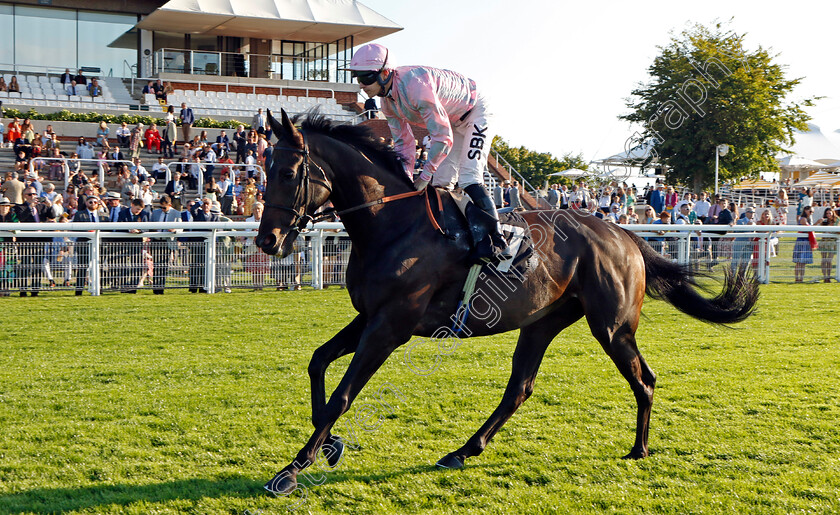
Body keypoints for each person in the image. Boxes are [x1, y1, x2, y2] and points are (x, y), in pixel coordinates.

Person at [348, 43, 511, 259]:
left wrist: (424, 175)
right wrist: (405, 178)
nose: (361, 84)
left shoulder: (415, 88)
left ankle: (497, 241)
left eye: (366, 77)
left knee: (469, 177)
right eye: (356, 77)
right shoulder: (386, 103)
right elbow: (403, 144)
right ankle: (457, 240)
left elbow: (442, 139)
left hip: (476, 112)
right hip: (452, 119)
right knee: (441, 184)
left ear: (386, 73)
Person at [14, 188, 57, 296]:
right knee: (25, 265)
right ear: (24, 196)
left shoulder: (42, 207)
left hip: (39, 241)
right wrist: (30, 207)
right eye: (29, 194)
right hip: (26, 241)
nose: (32, 196)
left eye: (34, 194)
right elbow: (21, 218)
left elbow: (52, 216)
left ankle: (35, 290)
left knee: (38, 265)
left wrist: (50, 205)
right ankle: (23, 290)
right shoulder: (20, 207)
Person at [148, 195, 181, 294]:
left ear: (170, 205)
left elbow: (181, 226)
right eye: (160, 207)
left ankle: (161, 287)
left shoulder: (176, 213)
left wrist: (175, 230)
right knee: (156, 265)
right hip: (156, 241)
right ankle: (156, 288)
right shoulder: (155, 213)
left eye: (164, 207)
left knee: (163, 265)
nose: (162, 209)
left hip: (167, 242)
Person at [792, 205, 814, 283]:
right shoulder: (803, 219)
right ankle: (797, 278)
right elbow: (809, 229)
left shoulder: (808, 219)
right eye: (810, 211)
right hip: (802, 241)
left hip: (806, 241)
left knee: (803, 262)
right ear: (805, 211)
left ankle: (801, 278)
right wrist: (818, 223)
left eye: (812, 212)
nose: (811, 213)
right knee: (799, 262)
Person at [817, 206, 839, 283]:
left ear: (833, 213)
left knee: (829, 260)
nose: (828, 215)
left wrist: (832, 231)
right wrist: (819, 222)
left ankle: (828, 276)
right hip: (824, 241)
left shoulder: (837, 220)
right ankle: (825, 277)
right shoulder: (824, 221)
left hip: (832, 242)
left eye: (830, 213)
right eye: (827, 213)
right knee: (823, 260)